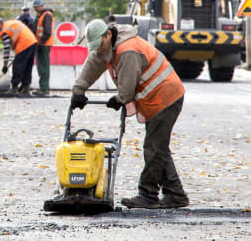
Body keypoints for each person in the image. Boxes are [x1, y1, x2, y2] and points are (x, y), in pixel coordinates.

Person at [70, 19, 189, 209]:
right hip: (156, 98)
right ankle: (176, 195)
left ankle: (148, 195)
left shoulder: (128, 50)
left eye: (99, 44)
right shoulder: (107, 47)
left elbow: (126, 90)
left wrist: (118, 100)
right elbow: (94, 62)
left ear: (108, 35)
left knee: (153, 147)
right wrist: (78, 90)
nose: (98, 49)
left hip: (166, 96)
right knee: (158, 147)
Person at [0, 17, 37, 94]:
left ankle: (14, 88)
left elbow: (6, 49)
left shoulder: (5, 31)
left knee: (17, 66)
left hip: (24, 43)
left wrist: (5, 65)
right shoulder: (10, 23)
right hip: (32, 41)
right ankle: (25, 87)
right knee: (27, 66)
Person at [32, 0, 55, 95]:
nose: (35, 9)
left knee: (44, 67)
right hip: (40, 44)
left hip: (44, 44)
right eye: (35, 7)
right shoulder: (40, 16)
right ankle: (43, 87)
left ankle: (44, 88)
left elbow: (47, 32)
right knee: (40, 67)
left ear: (41, 6)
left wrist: (41, 42)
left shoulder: (47, 15)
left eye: (37, 7)